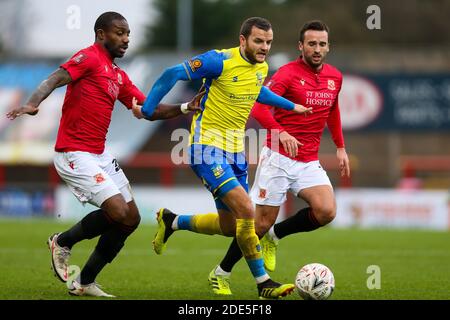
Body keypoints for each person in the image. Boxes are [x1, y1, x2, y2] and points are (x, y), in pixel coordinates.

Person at [6, 12, 201, 297]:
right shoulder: (88, 58)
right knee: (118, 211)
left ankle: (84, 282)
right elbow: (55, 78)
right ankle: (62, 241)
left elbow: (148, 109)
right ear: (101, 34)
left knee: (131, 218)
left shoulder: (119, 76)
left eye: (128, 34)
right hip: (74, 152)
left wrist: (184, 107)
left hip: (98, 154)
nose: (126, 39)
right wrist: (33, 103)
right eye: (119, 33)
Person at [132, 17, 312, 299]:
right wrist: (147, 108)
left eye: (268, 42)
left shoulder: (261, 67)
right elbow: (171, 73)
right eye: (258, 41)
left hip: (235, 153)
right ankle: (264, 283)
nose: (264, 47)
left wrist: (291, 106)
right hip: (206, 149)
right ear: (243, 40)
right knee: (247, 211)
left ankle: (172, 221)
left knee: (230, 227)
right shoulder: (219, 61)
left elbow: (258, 92)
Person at [206, 20, 351, 294]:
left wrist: (341, 147)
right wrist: (280, 132)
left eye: (322, 44)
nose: (317, 49)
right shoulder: (286, 74)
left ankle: (275, 236)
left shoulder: (335, 77)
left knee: (326, 211)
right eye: (311, 44)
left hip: (308, 160)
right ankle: (220, 272)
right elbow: (259, 108)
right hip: (278, 157)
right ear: (301, 46)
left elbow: (332, 111)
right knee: (258, 223)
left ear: (328, 46)